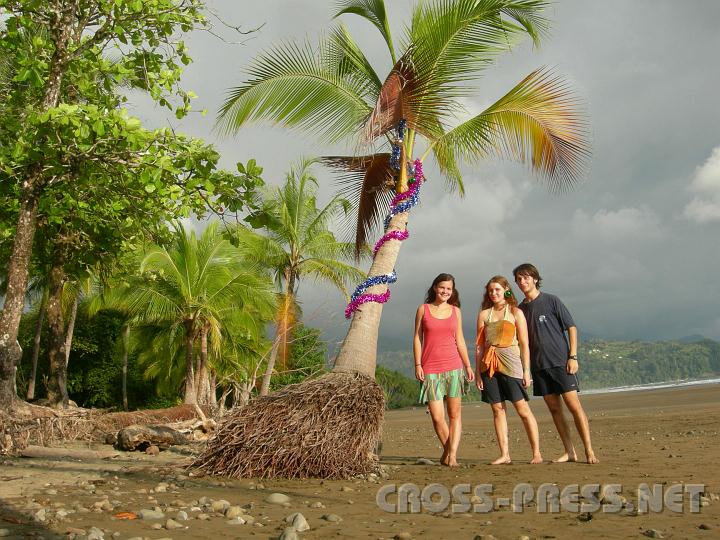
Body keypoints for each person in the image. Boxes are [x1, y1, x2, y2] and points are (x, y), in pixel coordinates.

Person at [513, 263, 599, 464]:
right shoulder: (519, 310)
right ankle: (569, 451)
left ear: (535, 278)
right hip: (539, 366)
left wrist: (573, 356)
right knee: (554, 409)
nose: (522, 282)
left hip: (561, 362)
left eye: (525, 277)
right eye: (518, 279)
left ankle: (589, 450)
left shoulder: (551, 301)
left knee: (574, 406)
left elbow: (571, 327)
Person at [475, 276, 543, 465]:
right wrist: (477, 372)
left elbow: (524, 343)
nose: (494, 293)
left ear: (505, 290)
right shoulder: (484, 315)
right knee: (497, 410)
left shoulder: (515, 312)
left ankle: (536, 452)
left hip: (512, 364)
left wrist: (527, 370)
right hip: (489, 365)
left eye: (497, 289)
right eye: (491, 291)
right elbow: (480, 346)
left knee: (522, 409)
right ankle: (505, 454)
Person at [413, 273, 475, 467]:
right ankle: (448, 452)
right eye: (442, 288)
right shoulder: (423, 310)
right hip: (430, 369)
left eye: (449, 289)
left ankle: (452, 456)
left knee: (455, 415)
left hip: (454, 368)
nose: (445, 291)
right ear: (434, 288)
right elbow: (417, 338)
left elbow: (460, 340)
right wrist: (417, 364)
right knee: (438, 418)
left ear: (452, 291)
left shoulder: (456, 311)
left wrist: (467, 365)